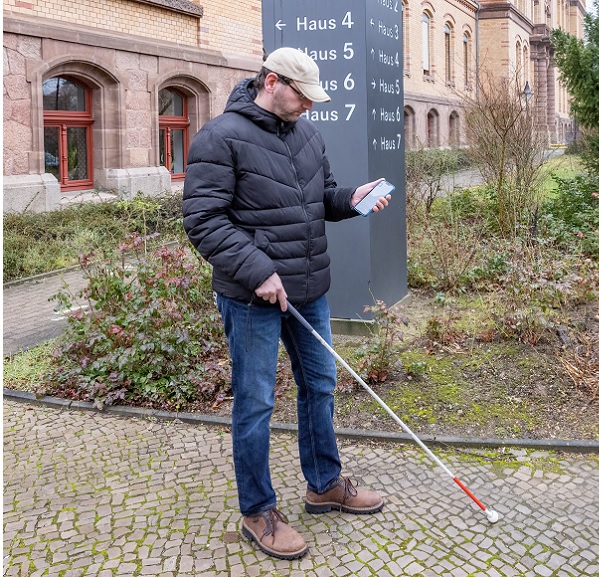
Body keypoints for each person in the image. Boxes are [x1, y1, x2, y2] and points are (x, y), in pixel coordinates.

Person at [182, 47, 391, 561]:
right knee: (255, 402)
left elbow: (321, 199)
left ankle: (324, 485)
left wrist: (352, 199)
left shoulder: (307, 135)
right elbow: (203, 220)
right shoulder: (219, 138)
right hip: (251, 297)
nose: (309, 106)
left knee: (320, 385)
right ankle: (258, 511)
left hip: (308, 289)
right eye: (303, 95)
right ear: (271, 82)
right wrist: (258, 271)